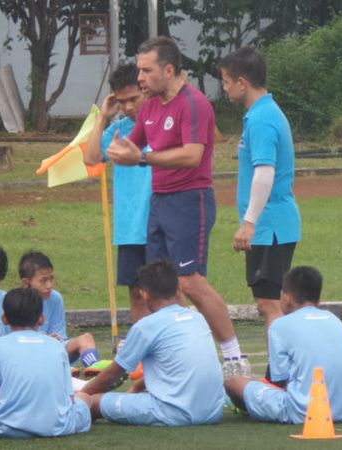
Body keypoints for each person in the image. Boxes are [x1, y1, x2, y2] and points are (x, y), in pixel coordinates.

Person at [106, 36, 246, 373]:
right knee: (158, 286)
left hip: (189, 200)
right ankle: (188, 351)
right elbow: (133, 145)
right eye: (139, 69)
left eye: (146, 70)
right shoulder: (151, 105)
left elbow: (193, 154)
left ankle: (234, 356)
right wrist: (118, 149)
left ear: (168, 70)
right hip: (160, 201)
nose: (139, 78)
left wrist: (140, 157)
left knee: (189, 281)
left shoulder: (194, 103)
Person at [219, 46, 302, 333]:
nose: (225, 88)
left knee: (271, 304)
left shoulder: (262, 119)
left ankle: (279, 376)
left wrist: (249, 223)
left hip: (270, 225)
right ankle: (282, 373)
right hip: (273, 224)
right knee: (275, 303)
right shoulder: (263, 113)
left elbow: (265, 172)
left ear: (242, 82)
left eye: (227, 82)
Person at [223, 266, 342, 424]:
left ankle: (246, 408)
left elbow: (280, 381)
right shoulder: (334, 319)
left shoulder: (279, 326)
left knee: (233, 382)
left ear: (287, 298)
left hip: (305, 412)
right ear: (318, 298)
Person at [81, 261, 224, 426]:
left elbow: (115, 372)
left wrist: (82, 395)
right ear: (178, 290)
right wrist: (136, 388)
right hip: (213, 412)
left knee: (92, 401)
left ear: (144, 294)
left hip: (173, 413)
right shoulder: (197, 318)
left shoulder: (145, 326)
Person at [0, 287, 92, 438]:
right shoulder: (57, 346)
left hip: (5, 426)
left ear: (4, 318)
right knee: (84, 398)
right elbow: (70, 400)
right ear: (41, 318)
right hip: (57, 426)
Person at [84, 63, 153, 324]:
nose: (128, 107)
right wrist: (103, 116)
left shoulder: (160, 123)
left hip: (158, 222)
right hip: (130, 227)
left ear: (145, 90)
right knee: (136, 294)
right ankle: (140, 360)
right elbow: (92, 159)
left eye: (133, 99)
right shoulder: (118, 129)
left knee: (166, 292)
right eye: (122, 102)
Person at [18, 251, 102, 373]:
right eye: (43, 280)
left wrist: (55, 340)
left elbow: (60, 336)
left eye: (52, 278)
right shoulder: (17, 303)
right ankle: (66, 372)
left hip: (55, 349)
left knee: (86, 338)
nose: (49, 285)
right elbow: (17, 341)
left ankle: (94, 373)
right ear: (26, 283)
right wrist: (45, 340)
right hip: (29, 354)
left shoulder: (55, 298)